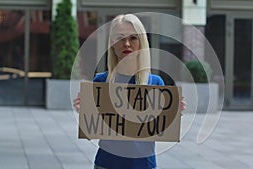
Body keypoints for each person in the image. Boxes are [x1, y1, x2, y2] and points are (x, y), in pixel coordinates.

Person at [74, 14, 186, 169]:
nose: (126, 43)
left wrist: (172, 116)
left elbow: (160, 131)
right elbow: (91, 134)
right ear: (112, 43)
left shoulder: (155, 83)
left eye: (133, 38)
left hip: (144, 165)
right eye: (120, 38)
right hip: (106, 164)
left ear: (141, 42)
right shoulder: (101, 82)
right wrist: (84, 113)